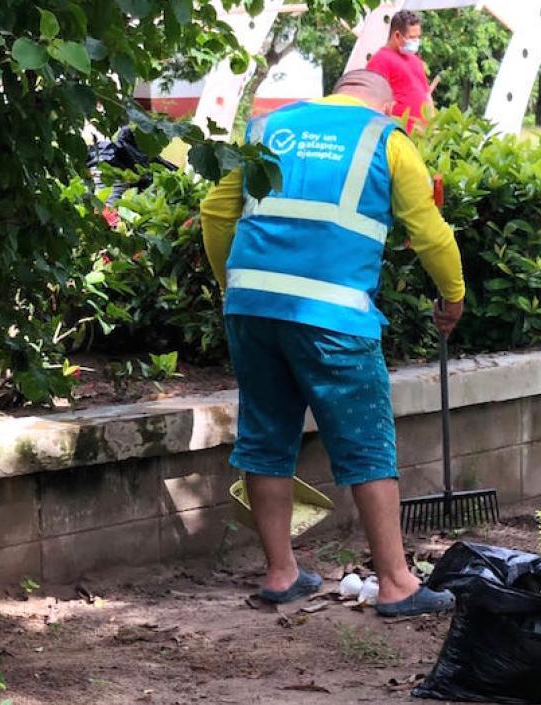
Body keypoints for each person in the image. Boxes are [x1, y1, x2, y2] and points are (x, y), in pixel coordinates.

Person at [199, 70, 465, 616]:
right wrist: (453, 295)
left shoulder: (266, 127)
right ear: (386, 104)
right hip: (333, 315)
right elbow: (428, 231)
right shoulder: (386, 139)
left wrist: (234, 287)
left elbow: (214, 211)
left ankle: (281, 573)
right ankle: (396, 583)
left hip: (252, 308)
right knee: (366, 442)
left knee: (265, 435)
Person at [366, 9, 436, 132]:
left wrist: (433, 125)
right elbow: (372, 102)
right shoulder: (380, 60)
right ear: (397, 35)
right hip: (397, 133)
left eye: (418, 37)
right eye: (412, 37)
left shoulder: (415, 60)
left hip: (422, 134)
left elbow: (426, 95)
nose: (416, 41)